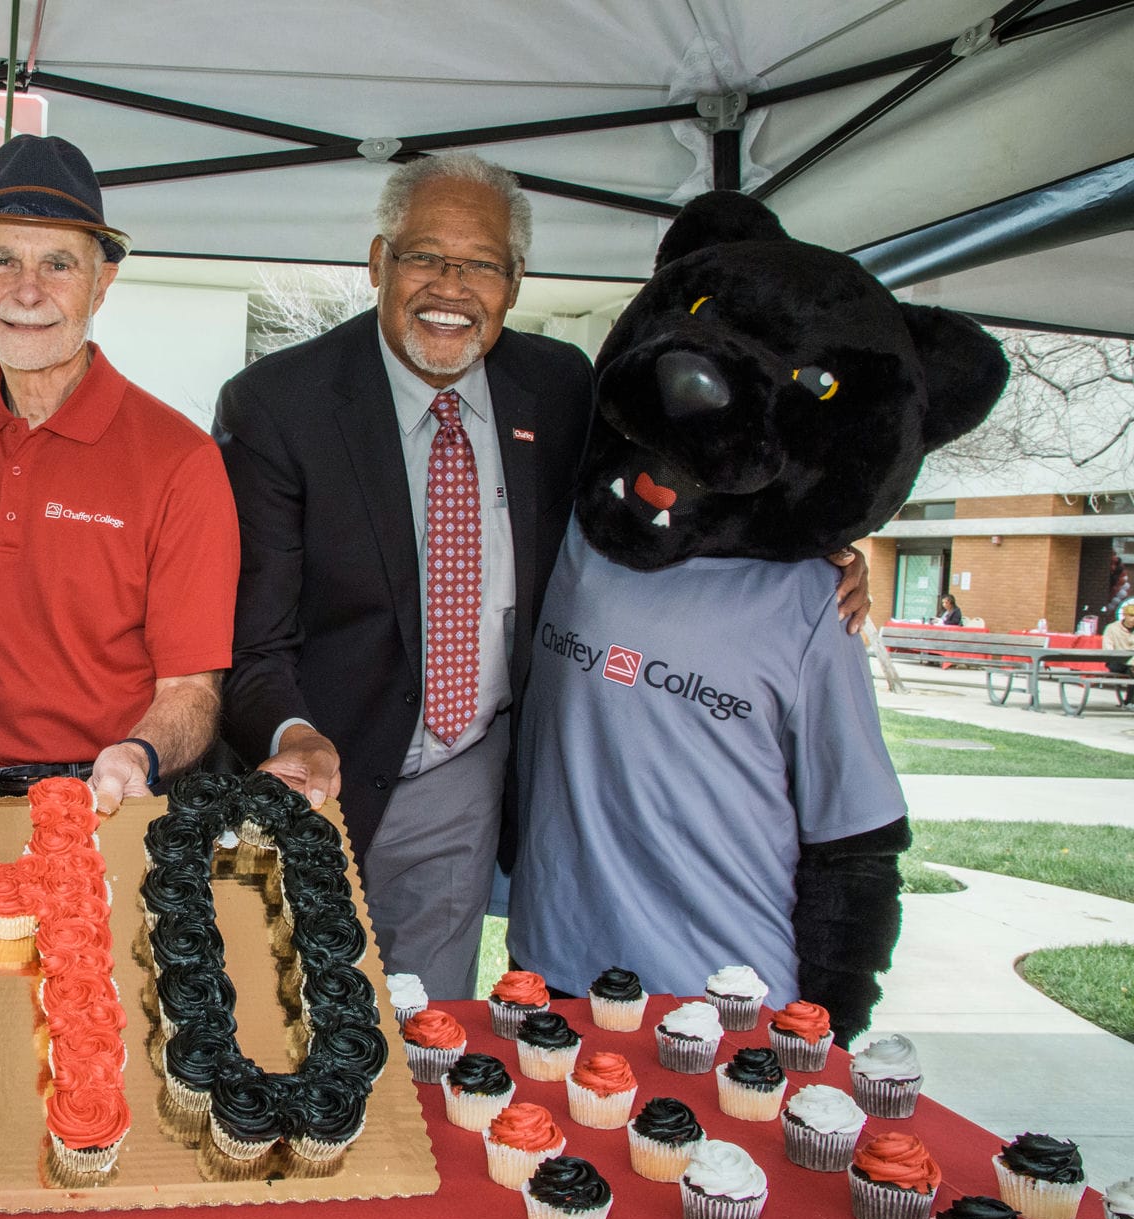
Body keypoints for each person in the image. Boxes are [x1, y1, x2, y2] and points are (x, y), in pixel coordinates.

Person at [215, 155, 870, 999]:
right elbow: (256, 638)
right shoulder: (277, 403)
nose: (451, 285)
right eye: (424, 256)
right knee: (282, 1023)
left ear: (515, 281)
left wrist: (825, 537)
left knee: (427, 1040)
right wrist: (291, 735)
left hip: (464, 775)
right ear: (379, 262)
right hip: (317, 774)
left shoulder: (560, 385)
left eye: (481, 263)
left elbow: (693, 469)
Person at [0, 134, 238, 811]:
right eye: (2, 259)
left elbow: (190, 692)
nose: (27, 290)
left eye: (59, 264)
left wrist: (137, 755)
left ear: (102, 283)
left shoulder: (182, 461)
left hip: (106, 804)